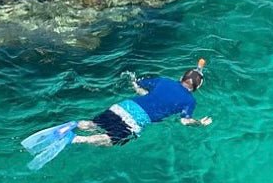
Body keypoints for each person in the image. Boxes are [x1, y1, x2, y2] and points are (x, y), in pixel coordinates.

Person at [73, 61, 212, 148]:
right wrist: (199, 123)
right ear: (197, 88)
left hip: (124, 106)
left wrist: (141, 90)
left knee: (95, 124)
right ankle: (78, 140)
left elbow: (137, 84)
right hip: (136, 120)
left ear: (181, 78)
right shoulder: (190, 101)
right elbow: (184, 121)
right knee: (111, 140)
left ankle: (74, 125)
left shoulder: (164, 81)